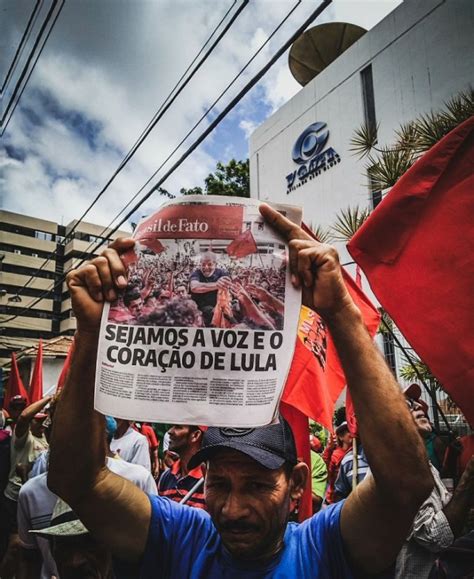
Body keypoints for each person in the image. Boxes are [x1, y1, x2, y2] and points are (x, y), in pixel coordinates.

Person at [48, 204, 434, 577]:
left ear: (297, 484)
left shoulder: (325, 547)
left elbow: (405, 486)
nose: (233, 510)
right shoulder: (180, 538)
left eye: (257, 485)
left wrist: (341, 313)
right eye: (218, 483)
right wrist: (90, 334)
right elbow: (77, 481)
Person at [18, 415, 157, 579]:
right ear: (49, 435)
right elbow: (29, 560)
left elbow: (154, 553)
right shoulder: (31, 493)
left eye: (90, 543)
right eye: (63, 546)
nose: (75, 560)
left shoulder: (136, 481)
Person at [395, 387, 474, 578]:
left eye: (418, 404)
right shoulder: (402, 465)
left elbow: (445, 507)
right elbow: (436, 537)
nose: (420, 408)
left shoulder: (424, 463)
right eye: (409, 405)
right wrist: (470, 474)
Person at [0, 396, 51, 578]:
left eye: (44, 419)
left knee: (29, 552)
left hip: (36, 499)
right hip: (15, 497)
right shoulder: (23, 438)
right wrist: (51, 397)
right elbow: (23, 418)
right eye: (37, 420)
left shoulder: (46, 440)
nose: (42, 423)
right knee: (15, 547)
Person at [158, 425, 206, 509]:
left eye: (178, 427)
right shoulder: (166, 477)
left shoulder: (208, 480)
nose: (170, 431)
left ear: (195, 435)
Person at [189, 251, 231, 326]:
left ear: (215, 264)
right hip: (199, 311)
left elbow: (227, 288)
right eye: (203, 264)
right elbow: (194, 287)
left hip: (217, 309)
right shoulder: (196, 273)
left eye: (209, 264)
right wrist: (217, 285)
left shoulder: (222, 273)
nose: (206, 267)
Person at [322, 421, 352, 504]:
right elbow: (328, 474)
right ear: (341, 437)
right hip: (334, 500)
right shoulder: (336, 455)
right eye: (348, 432)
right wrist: (329, 449)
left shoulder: (358, 453)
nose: (352, 434)